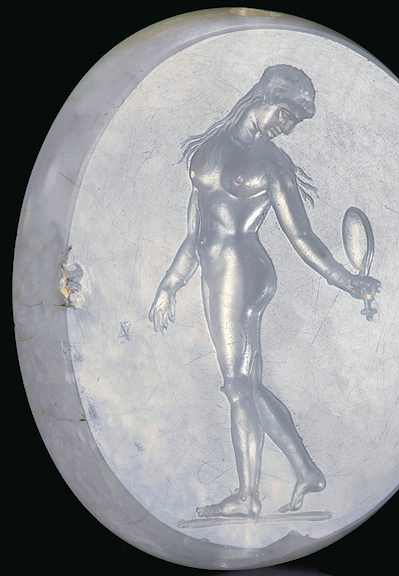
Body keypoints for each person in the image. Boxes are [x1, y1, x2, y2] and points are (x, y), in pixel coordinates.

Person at [149, 65, 380, 518]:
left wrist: (344, 279)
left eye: (294, 121)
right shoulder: (209, 149)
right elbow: (196, 232)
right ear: (265, 95)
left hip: (242, 271)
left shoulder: (274, 165)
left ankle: (248, 496)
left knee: (237, 387)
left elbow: (302, 236)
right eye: (286, 114)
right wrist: (170, 283)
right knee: (248, 386)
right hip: (215, 272)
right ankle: (306, 472)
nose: (286, 127)